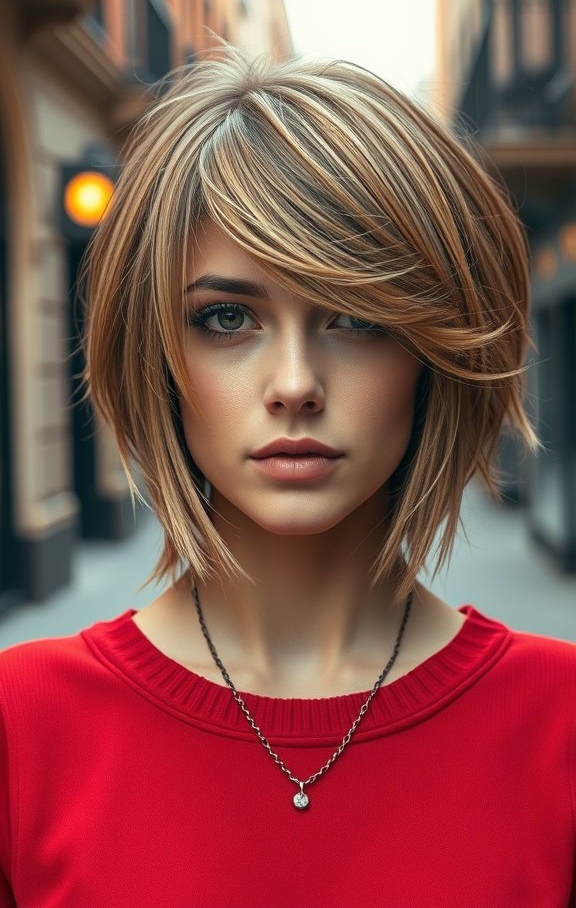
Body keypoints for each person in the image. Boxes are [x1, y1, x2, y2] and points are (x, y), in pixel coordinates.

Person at [0, 47, 574, 908]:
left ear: (433, 350)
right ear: (158, 352)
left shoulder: (558, 724)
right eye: (227, 318)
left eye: (355, 315)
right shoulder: (24, 725)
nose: (296, 383)